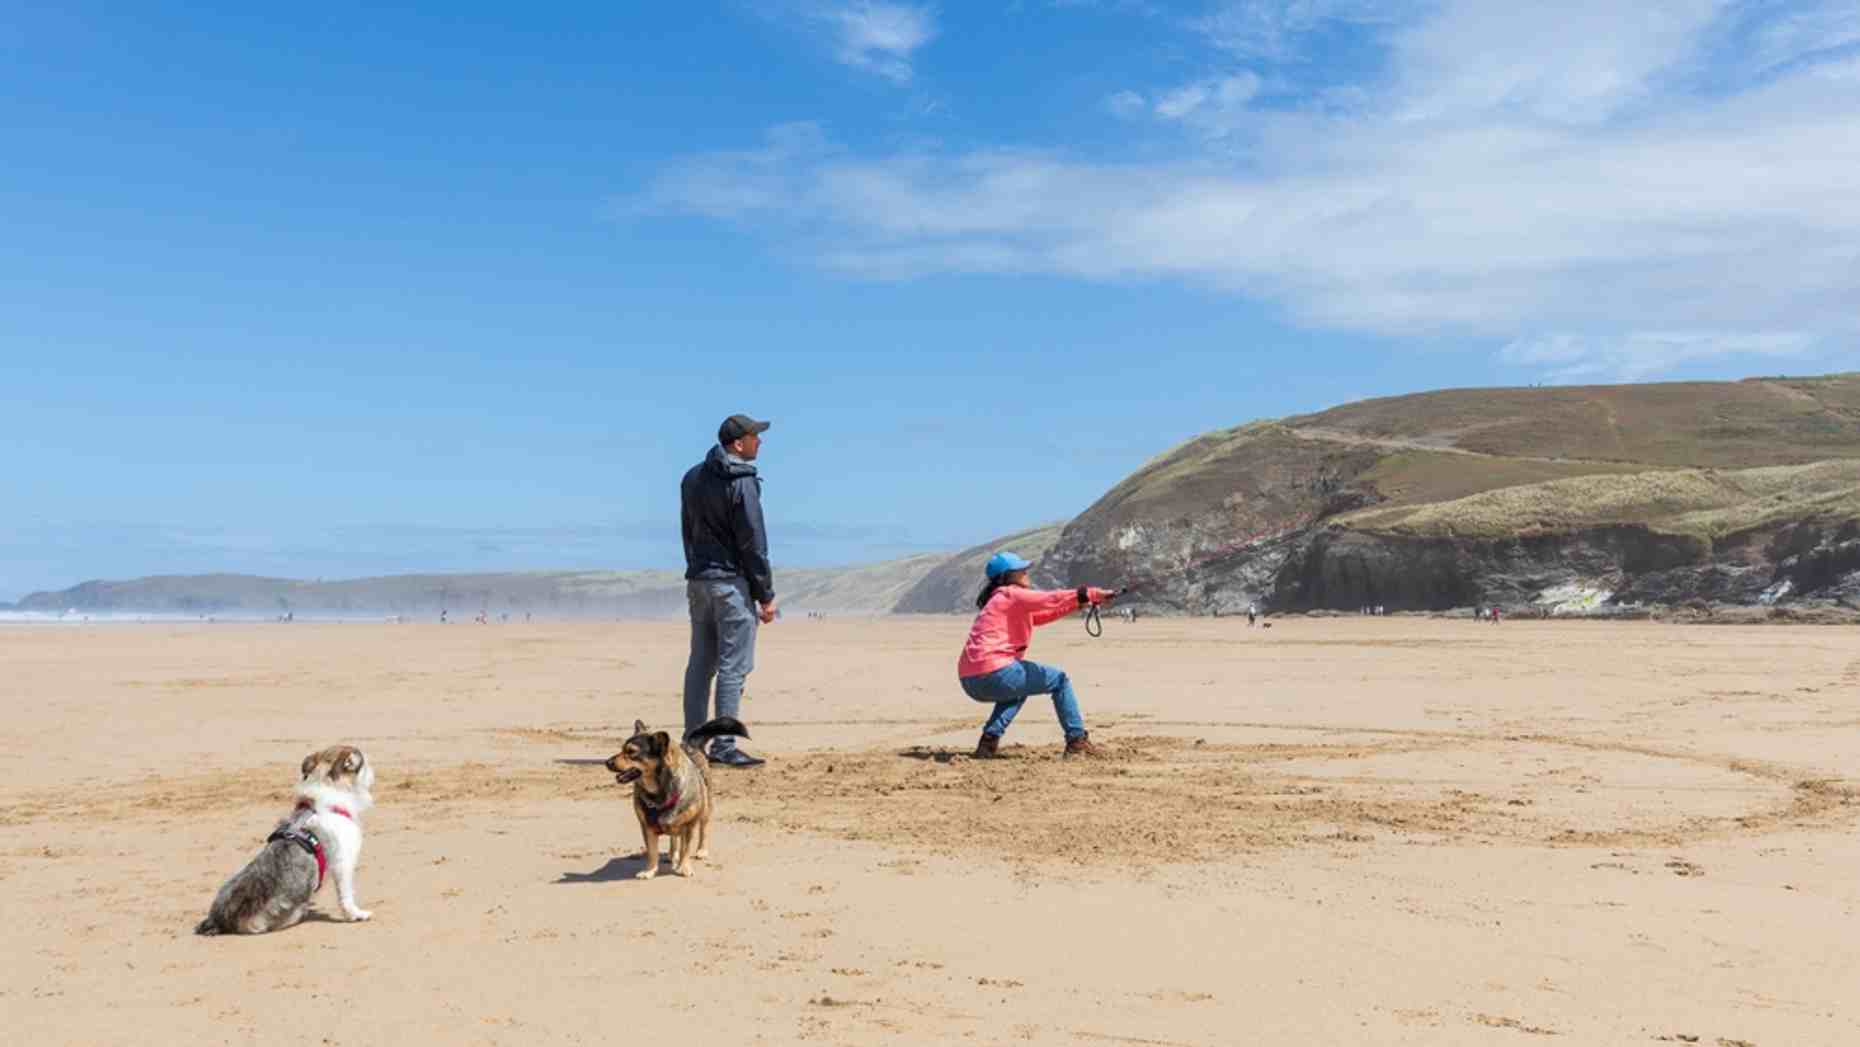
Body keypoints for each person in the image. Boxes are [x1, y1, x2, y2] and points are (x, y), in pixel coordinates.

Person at [679, 413, 777, 768]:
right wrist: (765, 594)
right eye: (754, 436)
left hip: (699, 581)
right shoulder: (742, 481)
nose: (759, 442)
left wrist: (696, 568)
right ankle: (723, 745)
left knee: (700, 664)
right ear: (738, 443)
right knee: (733, 668)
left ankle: (693, 742)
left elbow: (687, 531)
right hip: (730, 583)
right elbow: (753, 541)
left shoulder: (692, 477)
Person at [958, 552, 1115, 759]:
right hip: (994, 673)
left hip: (970, 680)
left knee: (1018, 690)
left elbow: (1042, 615)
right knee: (1059, 680)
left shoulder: (999, 599)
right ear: (1007, 576)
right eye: (1021, 569)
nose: (1026, 571)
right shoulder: (1011, 594)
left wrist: (1077, 605)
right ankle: (1077, 741)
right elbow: (1050, 599)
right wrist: (1091, 593)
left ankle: (988, 743)